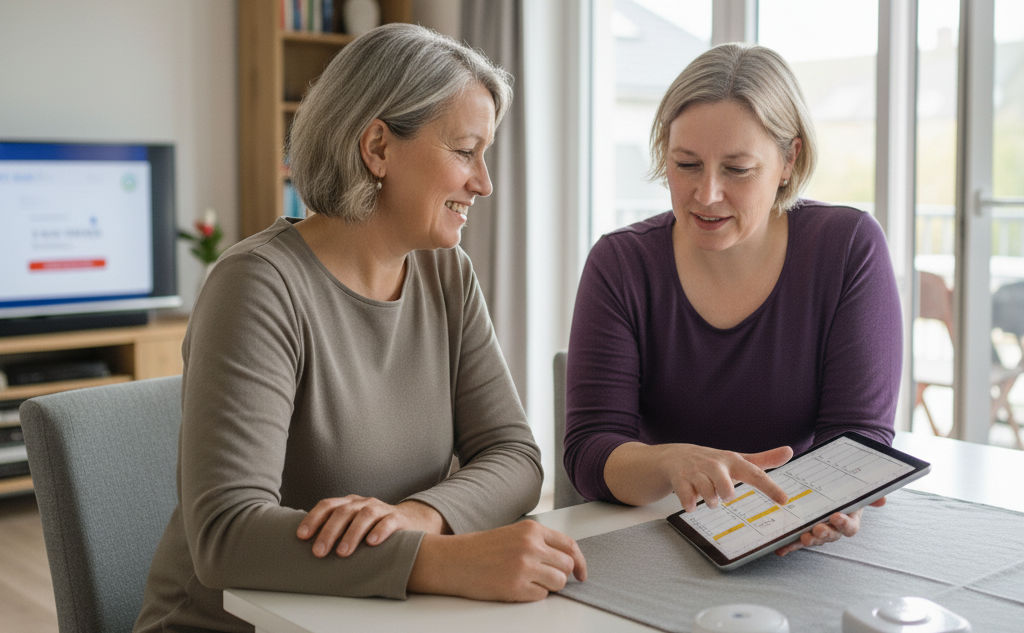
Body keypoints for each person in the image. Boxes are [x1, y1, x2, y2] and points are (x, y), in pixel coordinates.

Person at [134, 24, 585, 633]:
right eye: (463, 151)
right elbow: (226, 536)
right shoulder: (258, 286)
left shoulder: (445, 273)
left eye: (486, 155)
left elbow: (515, 457)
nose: (484, 182)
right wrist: (440, 560)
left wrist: (419, 518)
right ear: (377, 147)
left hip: (374, 617)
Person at [564, 43, 901, 556]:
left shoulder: (848, 247)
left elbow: (858, 436)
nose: (706, 194)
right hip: (661, 536)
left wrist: (834, 502)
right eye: (686, 164)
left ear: (790, 159)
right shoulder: (621, 264)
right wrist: (671, 463)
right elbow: (590, 454)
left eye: (738, 170)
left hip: (798, 524)